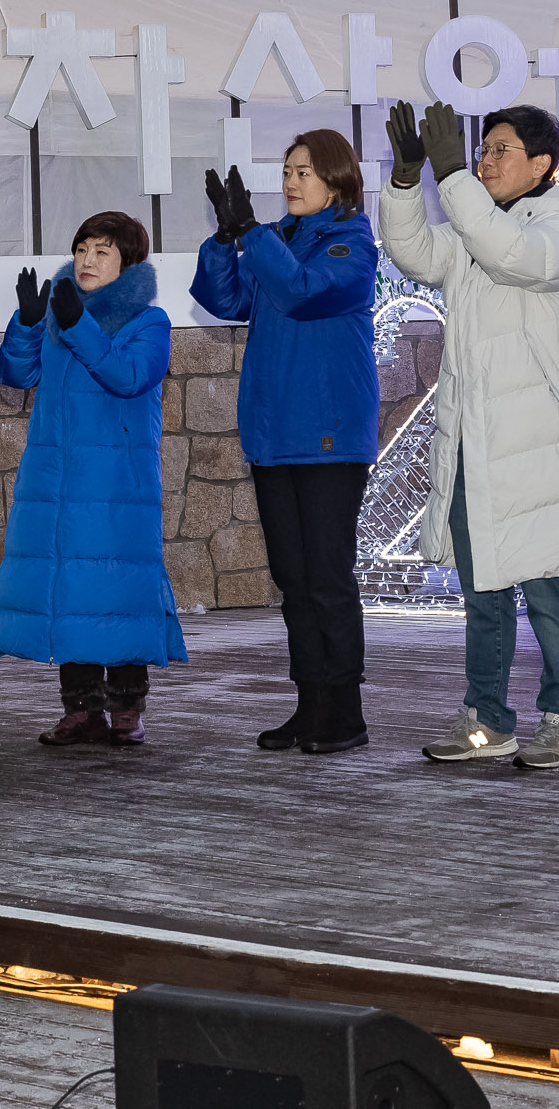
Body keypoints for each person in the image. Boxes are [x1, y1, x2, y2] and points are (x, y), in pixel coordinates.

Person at [380, 99, 559, 770]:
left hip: (533, 445)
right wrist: (404, 180)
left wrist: (452, 178)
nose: (484, 159)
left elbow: (518, 260)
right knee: (482, 596)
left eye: (500, 149)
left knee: (548, 595)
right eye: (482, 149)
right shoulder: (475, 228)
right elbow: (415, 252)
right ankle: (486, 718)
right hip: (475, 442)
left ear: (541, 163)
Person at [191, 132, 380, 756]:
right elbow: (224, 299)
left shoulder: (351, 245)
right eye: (287, 169)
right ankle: (311, 703)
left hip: (328, 440)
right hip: (275, 436)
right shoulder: (279, 239)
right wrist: (226, 239)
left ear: (337, 180)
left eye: (304, 171)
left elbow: (299, 292)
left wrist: (254, 235)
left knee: (327, 577)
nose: (291, 181)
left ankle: (345, 711)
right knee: (293, 579)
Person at [0, 211, 184, 745]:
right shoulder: (58, 314)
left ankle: (126, 710)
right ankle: (79, 709)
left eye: (102, 251)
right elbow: (15, 374)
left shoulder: (150, 322)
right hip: (57, 480)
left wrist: (78, 325)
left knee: (118, 588)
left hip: (118, 485)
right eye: (81, 250)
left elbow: (128, 376)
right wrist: (30, 323)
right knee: (69, 585)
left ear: (128, 262)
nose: (87, 261)